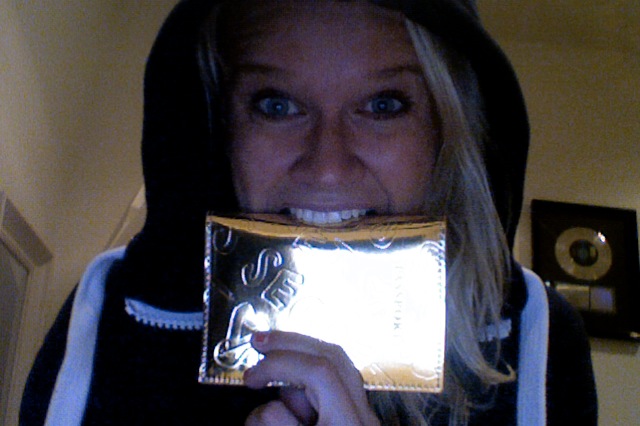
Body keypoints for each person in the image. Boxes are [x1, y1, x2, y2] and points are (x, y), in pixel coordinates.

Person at [21, 1, 597, 425]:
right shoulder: (111, 318)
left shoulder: (537, 337)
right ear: (220, 126)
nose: (327, 168)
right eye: (276, 104)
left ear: (447, 129)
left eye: (384, 104)